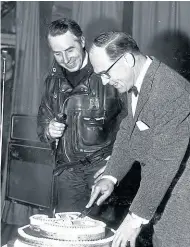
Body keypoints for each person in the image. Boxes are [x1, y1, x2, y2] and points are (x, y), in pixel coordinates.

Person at [86, 31, 190, 247]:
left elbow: (162, 164)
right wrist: (111, 175)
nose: (104, 81)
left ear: (128, 60)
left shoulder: (172, 92)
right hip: (162, 213)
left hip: (188, 219)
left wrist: (133, 221)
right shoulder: (137, 82)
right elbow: (130, 130)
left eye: (106, 73)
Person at [37, 19, 127, 219]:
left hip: (102, 170)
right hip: (67, 173)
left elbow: (131, 122)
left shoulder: (108, 71)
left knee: (103, 236)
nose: (65, 59)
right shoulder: (52, 80)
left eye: (70, 50)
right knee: (68, 237)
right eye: (57, 53)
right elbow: (42, 121)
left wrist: (115, 163)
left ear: (82, 41)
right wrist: (48, 129)